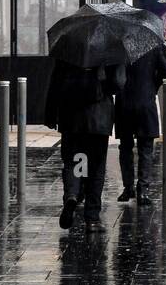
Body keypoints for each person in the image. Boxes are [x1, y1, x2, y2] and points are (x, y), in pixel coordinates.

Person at [45, 59, 124, 233]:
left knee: (74, 160)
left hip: (71, 117)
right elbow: (118, 84)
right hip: (99, 118)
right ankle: (92, 218)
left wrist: (50, 114)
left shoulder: (68, 53)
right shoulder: (109, 52)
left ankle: (72, 194)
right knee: (96, 168)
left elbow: (55, 83)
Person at [115, 45, 166, 205]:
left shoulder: (119, 48)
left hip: (123, 104)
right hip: (145, 102)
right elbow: (165, 72)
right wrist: (152, 87)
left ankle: (128, 188)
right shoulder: (151, 47)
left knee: (125, 148)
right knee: (145, 149)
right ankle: (143, 190)